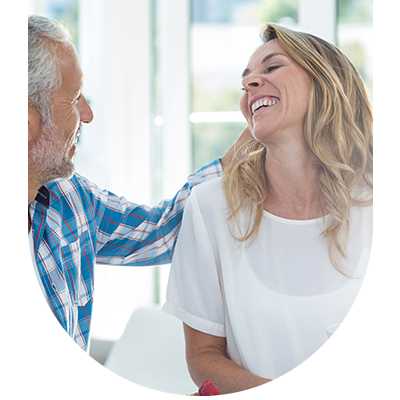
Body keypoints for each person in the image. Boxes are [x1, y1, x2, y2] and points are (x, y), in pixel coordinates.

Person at [28, 15, 251, 396]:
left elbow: (161, 232)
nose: (88, 115)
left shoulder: (70, 200)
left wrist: (255, 135)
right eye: (73, 99)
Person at [163, 23, 373, 396]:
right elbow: (202, 355)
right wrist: (272, 392)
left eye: (272, 67)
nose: (250, 85)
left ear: (325, 82)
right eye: (246, 80)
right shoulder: (211, 208)